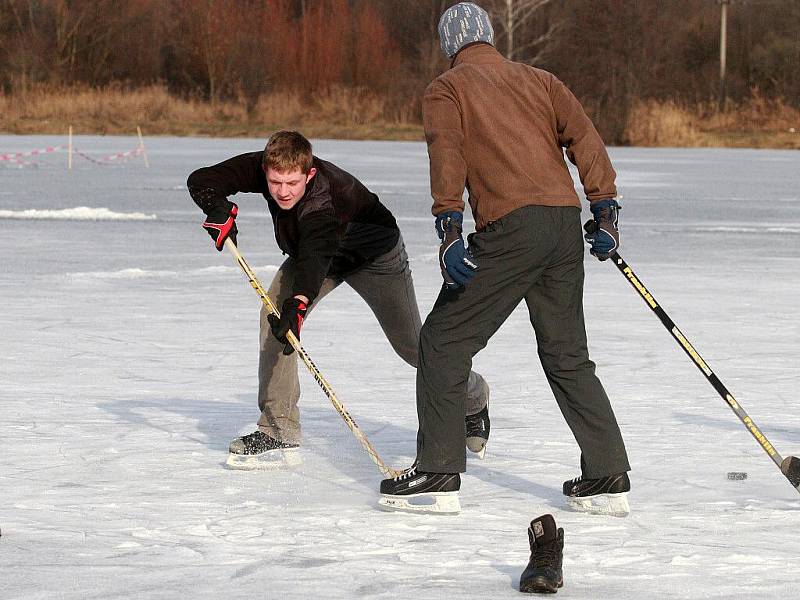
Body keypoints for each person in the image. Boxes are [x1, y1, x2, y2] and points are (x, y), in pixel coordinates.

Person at [378, 2, 630, 515]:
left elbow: (446, 154)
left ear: (450, 45)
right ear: (490, 37)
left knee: (442, 341)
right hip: (562, 225)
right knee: (567, 355)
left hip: (512, 228)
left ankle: (439, 470)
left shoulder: (447, 89)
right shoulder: (541, 79)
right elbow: (586, 138)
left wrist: (449, 230)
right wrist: (605, 211)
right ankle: (607, 474)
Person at [187, 130, 489, 469]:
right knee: (274, 317)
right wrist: (217, 207)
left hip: (375, 257)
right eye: (275, 183)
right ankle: (278, 429)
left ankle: (474, 397)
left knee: (412, 347)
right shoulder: (266, 167)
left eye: (291, 183)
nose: (282, 192)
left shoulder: (322, 201)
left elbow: (317, 253)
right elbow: (202, 179)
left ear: (309, 174)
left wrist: (299, 303)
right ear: (266, 171)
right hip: (318, 255)